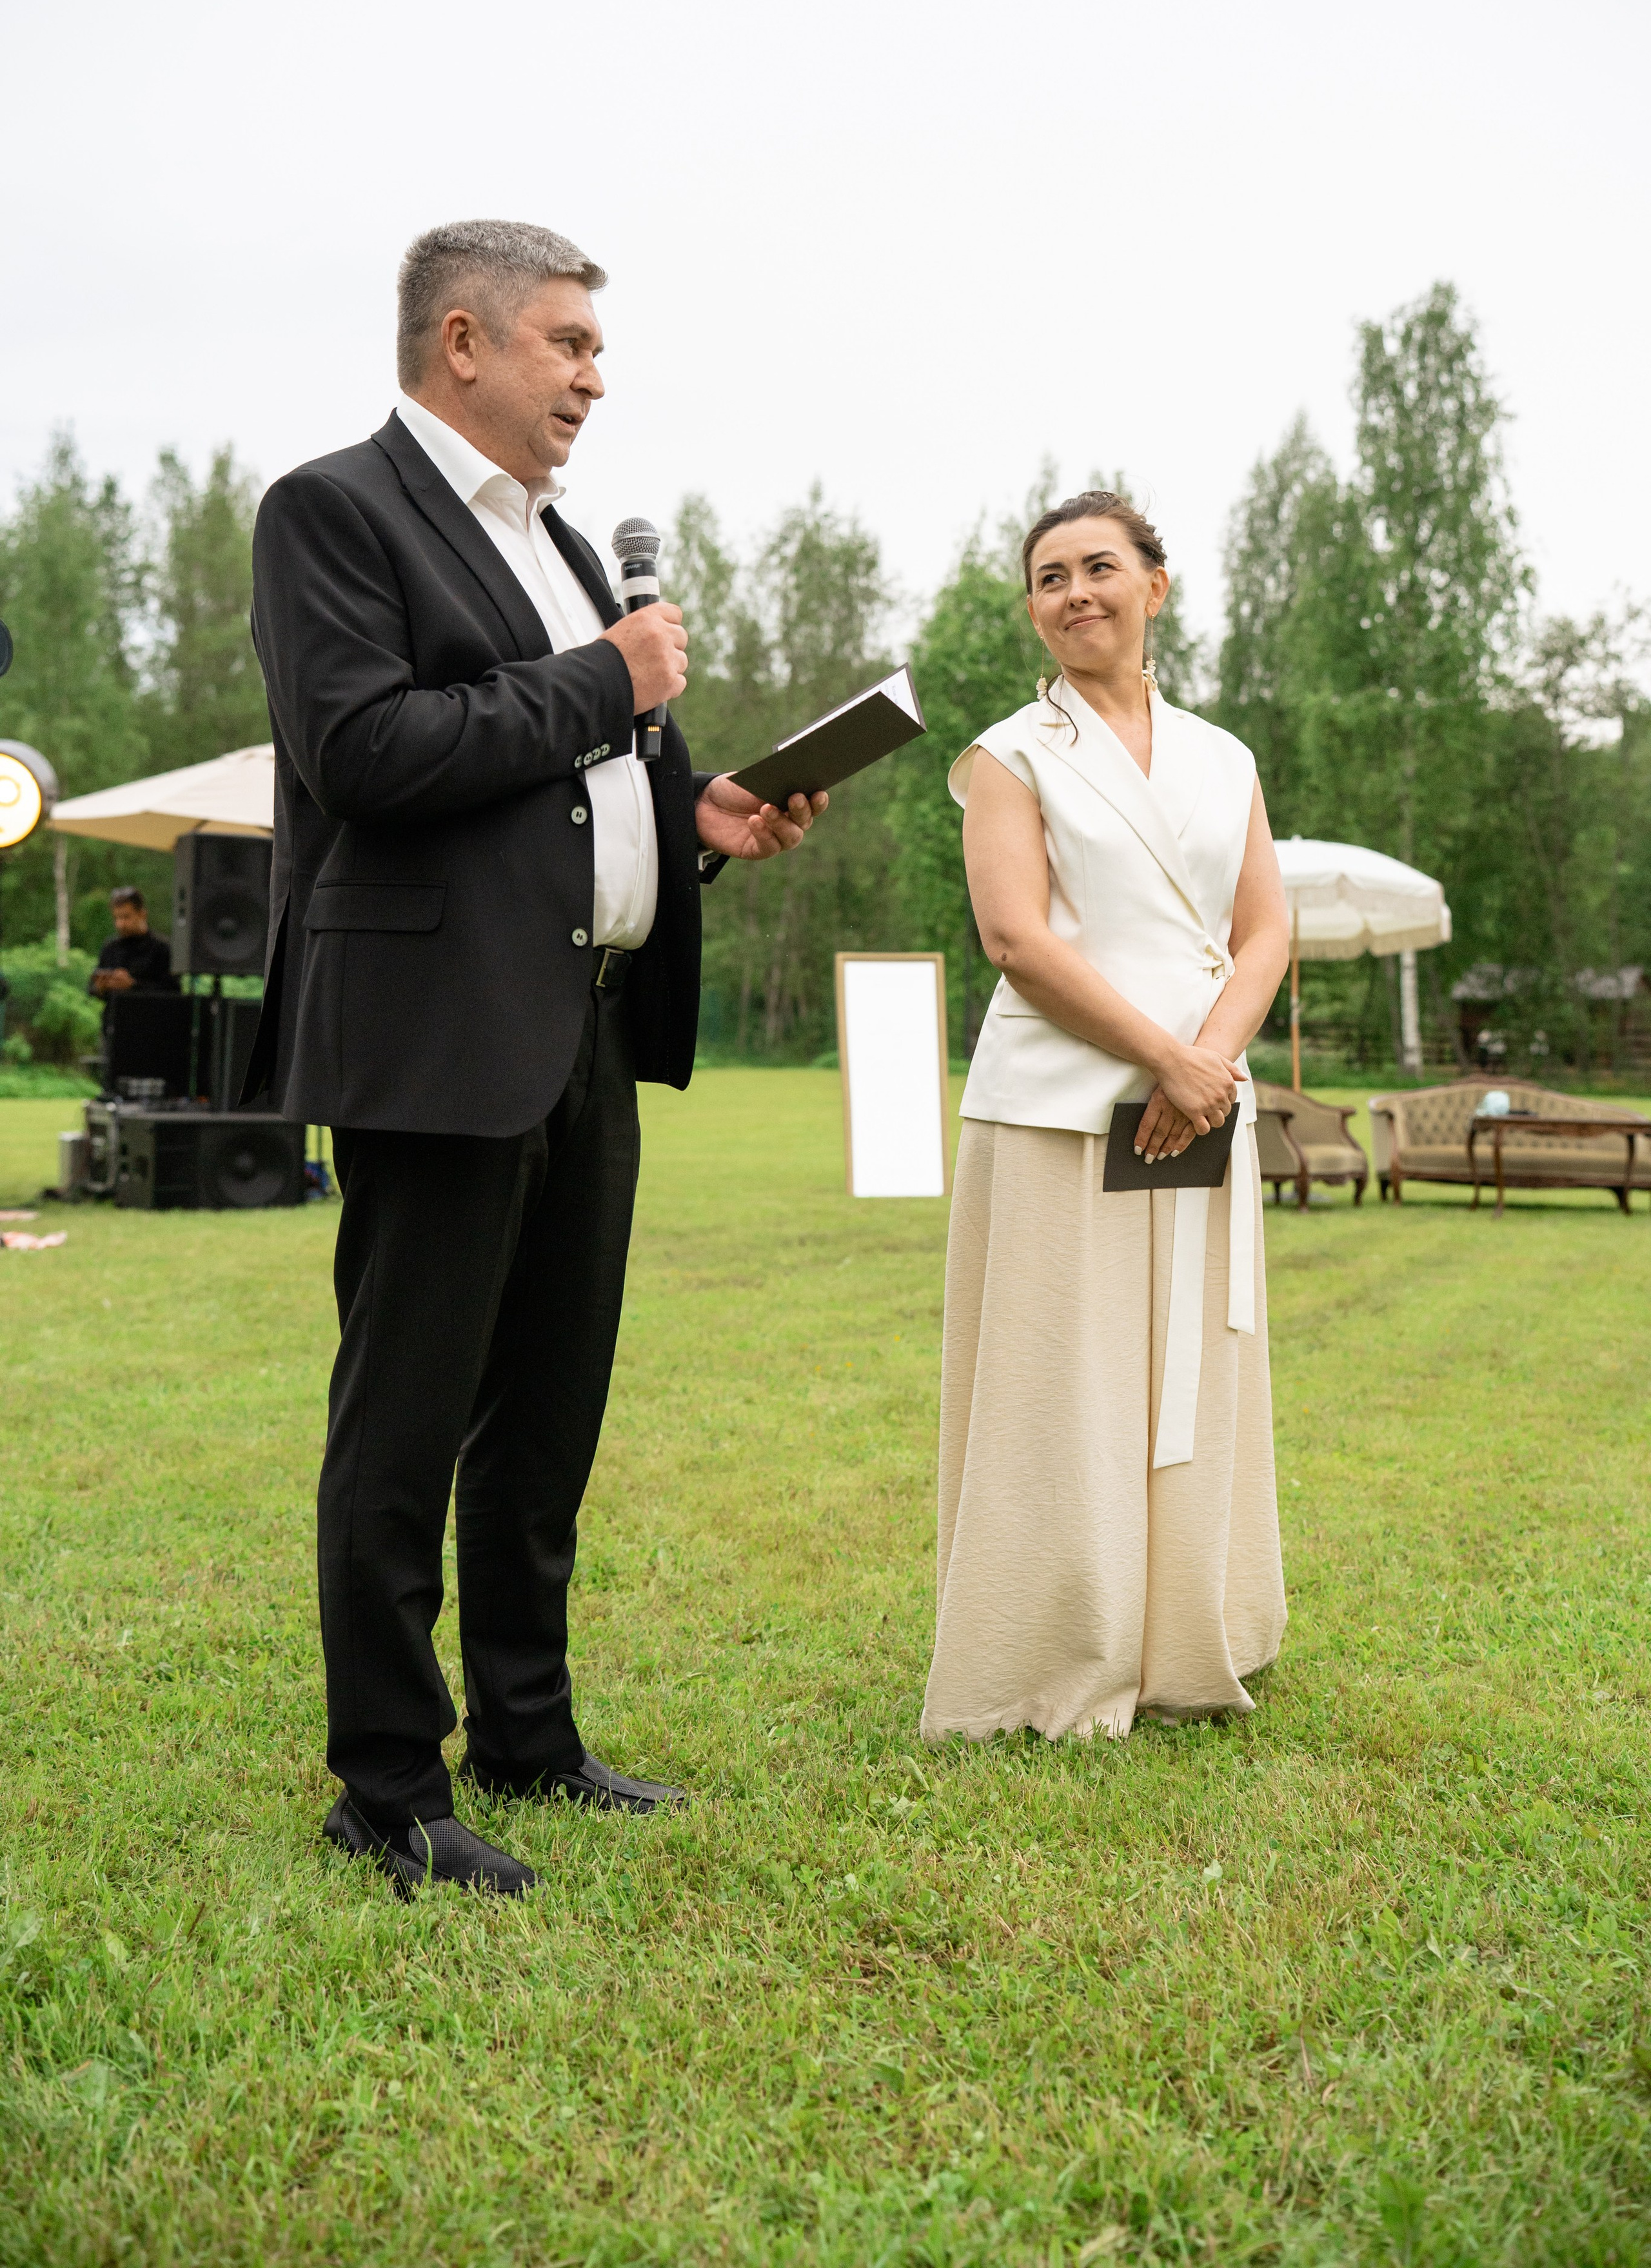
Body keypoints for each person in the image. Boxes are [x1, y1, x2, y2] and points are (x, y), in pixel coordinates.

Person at [246, 219, 827, 1897]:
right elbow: (364, 751)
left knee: (547, 1415)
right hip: (435, 1039)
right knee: (406, 1418)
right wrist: (606, 678)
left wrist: (700, 818)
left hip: (584, 1029)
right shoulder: (333, 513)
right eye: (567, 343)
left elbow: (581, 787)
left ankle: (528, 1737)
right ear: (462, 346)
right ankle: (383, 1788)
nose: (592, 376)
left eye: (595, 349)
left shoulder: (568, 545)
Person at [920, 491, 1290, 1747]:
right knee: (1058, 1380)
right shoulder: (1007, 754)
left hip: (1195, 1104)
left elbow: (1264, 928)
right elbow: (1013, 938)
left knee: (1191, 1364)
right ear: (1031, 609)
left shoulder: (1223, 756)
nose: (1072, 591)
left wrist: (1209, 1065)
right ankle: (1049, 1648)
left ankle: (1191, 1630)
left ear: (1154, 587)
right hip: (1058, 1112)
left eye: (1096, 567)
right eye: (1045, 576)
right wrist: (1163, 1063)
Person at [88, 888, 179, 1000]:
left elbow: (173, 992)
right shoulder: (111, 948)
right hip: (116, 1015)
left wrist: (133, 985)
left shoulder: (162, 948)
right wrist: (101, 987)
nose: (120, 924)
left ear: (142, 914)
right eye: (117, 918)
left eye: (126, 917)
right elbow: (92, 988)